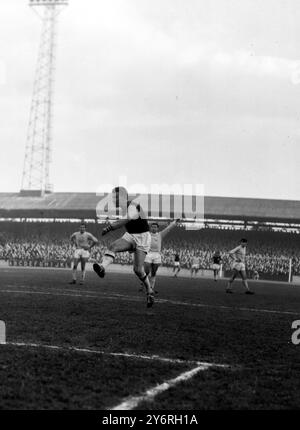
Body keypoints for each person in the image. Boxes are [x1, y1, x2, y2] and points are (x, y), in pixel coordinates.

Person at [93, 187, 154, 308]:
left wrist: (110, 227)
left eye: (115, 197)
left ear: (123, 197)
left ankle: (149, 291)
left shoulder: (133, 205)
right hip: (131, 236)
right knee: (113, 246)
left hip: (143, 238)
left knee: (137, 270)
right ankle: (102, 268)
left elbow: (125, 220)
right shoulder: (124, 208)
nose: (113, 199)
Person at [142, 219, 179, 294]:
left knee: (154, 272)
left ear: (157, 228)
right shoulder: (147, 234)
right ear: (150, 228)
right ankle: (144, 284)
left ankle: (151, 288)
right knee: (146, 271)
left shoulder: (160, 234)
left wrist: (175, 222)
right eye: (152, 227)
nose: (153, 228)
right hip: (148, 253)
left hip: (157, 255)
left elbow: (168, 228)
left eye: (155, 227)